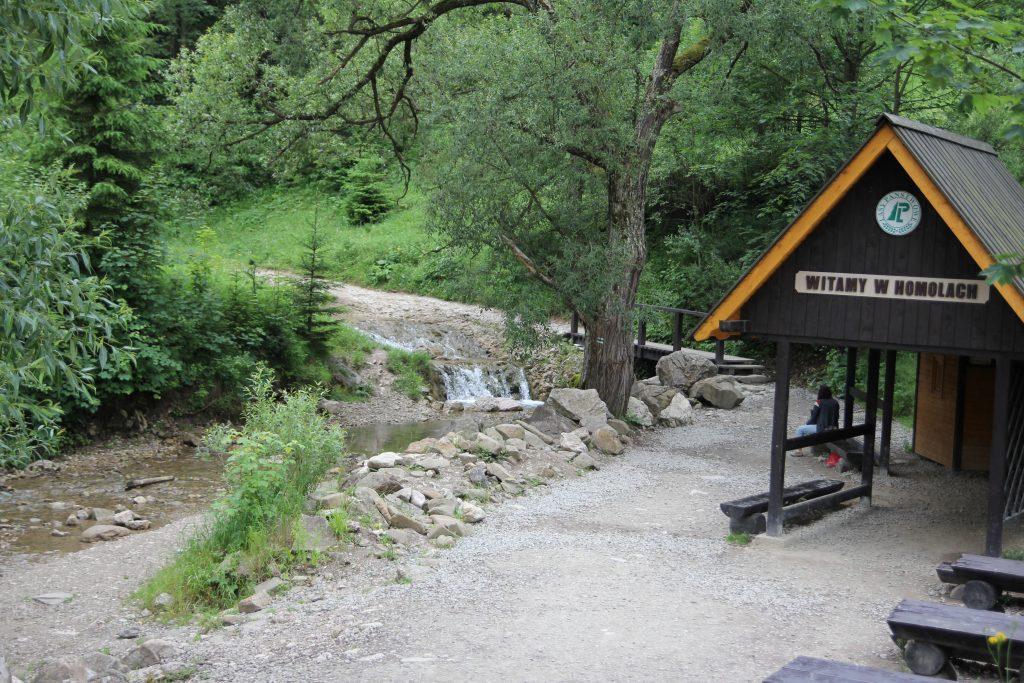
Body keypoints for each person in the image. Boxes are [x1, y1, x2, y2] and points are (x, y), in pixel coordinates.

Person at [793, 385, 840, 455]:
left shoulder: (818, 402)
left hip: (822, 429)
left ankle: (798, 451)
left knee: (800, 429)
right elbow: (837, 417)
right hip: (834, 428)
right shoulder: (835, 402)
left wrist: (807, 423)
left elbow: (813, 419)